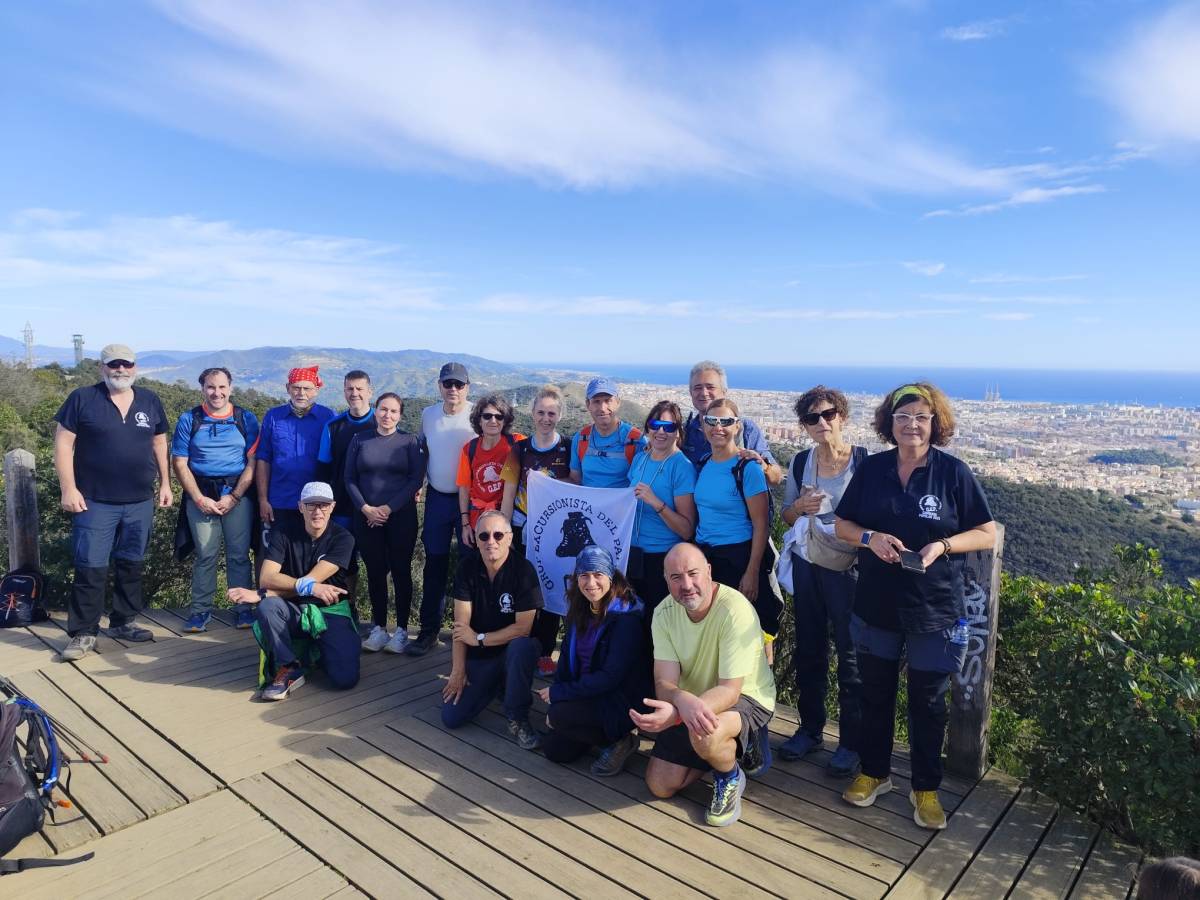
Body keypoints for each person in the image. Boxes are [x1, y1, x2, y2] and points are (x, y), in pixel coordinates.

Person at [835, 382, 997, 830]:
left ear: (935, 423)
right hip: (877, 603)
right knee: (874, 694)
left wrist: (942, 545)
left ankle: (925, 788)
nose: (911, 425)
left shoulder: (952, 473)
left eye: (921, 417)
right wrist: (871, 538)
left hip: (934, 608)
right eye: (903, 416)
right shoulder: (873, 470)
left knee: (928, 702)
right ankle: (874, 773)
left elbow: (986, 532)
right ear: (889, 422)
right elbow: (844, 525)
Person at [631, 543, 776, 828]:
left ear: (708, 571)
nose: (686, 585)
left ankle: (729, 774)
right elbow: (664, 683)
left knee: (705, 735)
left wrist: (675, 715)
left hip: (746, 696)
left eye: (693, 573)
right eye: (676, 577)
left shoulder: (735, 610)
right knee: (660, 785)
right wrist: (681, 703)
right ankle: (732, 748)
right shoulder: (663, 613)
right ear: (666, 580)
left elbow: (730, 690)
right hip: (693, 699)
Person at [53, 344, 173, 660]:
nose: (120, 369)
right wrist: (69, 489)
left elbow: (160, 442)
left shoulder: (149, 399)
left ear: (135, 367)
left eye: (126, 364)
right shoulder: (83, 398)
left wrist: (166, 483)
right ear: (102, 368)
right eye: (114, 364)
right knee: (90, 566)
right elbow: (63, 444)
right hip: (94, 500)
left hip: (139, 500)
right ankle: (83, 632)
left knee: (131, 564)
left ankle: (123, 622)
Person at [777, 386, 869, 777]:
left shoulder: (863, 464)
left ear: (842, 417)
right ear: (804, 425)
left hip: (849, 571)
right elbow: (785, 515)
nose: (822, 422)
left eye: (828, 414)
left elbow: (878, 518)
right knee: (810, 649)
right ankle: (810, 728)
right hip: (807, 564)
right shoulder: (800, 463)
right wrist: (799, 507)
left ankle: (851, 741)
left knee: (851, 657)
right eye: (813, 418)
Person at [228, 482, 359, 700]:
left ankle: (319, 652)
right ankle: (289, 667)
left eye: (323, 505)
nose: (317, 511)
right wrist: (306, 589)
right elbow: (267, 577)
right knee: (268, 607)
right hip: (294, 610)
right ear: (300, 507)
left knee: (345, 678)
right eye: (311, 505)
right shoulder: (283, 533)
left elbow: (311, 580)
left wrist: (262, 593)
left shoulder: (343, 538)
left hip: (330, 611)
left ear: (333, 507)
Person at [539, 546, 650, 776]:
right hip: (589, 692)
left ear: (610, 577)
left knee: (559, 717)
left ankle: (622, 739)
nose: (591, 582)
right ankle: (597, 735)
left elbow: (610, 677)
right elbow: (567, 658)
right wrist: (558, 689)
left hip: (619, 700)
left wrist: (561, 696)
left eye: (598, 575)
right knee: (554, 750)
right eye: (584, 575)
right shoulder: (579, 609)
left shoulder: (626, 619)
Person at [441, 510, 543, 750]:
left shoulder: (524, 570)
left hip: (510, 652)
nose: (491, 542)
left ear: (510, 538)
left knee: (523, 647)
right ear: (476, 540)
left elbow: (523, 629)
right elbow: (460, 626)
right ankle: (497, 685)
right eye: (484, 536)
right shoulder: (467, 567)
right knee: (451, 717)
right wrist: (457, 670)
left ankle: (518, 716)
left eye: (498, 535)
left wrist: (479, 639)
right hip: (482, 656)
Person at [171, 366, 261, 633]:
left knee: (238, 556)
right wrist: (198, 499)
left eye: (222, 387)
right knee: (206, 555)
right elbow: (179, 462)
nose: (217, 392)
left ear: (230, 388)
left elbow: (253, 461)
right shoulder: (190, 419)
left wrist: (234, 496)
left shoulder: (245, 419)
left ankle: (243, 610)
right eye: (211, 387)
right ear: (202, 389)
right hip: (201, 495)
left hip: (237, 494)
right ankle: (200, 611)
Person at [692, 398, 782, 658]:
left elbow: (761, 524)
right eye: (712, 421)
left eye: (726, 421)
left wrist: (752, 571)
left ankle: (759, 694)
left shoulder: (748, 468)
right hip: (708, 559)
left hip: (738, 558)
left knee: (751, 631)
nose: (718, 427)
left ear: (738, 426)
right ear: (703, 425)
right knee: (717, 633)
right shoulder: (704, 462)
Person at [499, 385, 573, 675]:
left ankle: (543, 652)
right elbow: (508, 492)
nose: (545, 418)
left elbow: (577, 483)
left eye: (551, 413)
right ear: (532, 414)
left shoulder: (567, 448)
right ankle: (517, 649)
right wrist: (504, 533)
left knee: (551, 588)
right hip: (521, 524)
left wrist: (551, 482)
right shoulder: (520, 449)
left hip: (554, 530)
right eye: (540, 412)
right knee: (522, 589)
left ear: (560, 415)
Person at [345, 393, 426, 654]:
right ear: (375, 410)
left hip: (401, 517)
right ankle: (379, 627)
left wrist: (388, 509)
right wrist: (367, 509)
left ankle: (401, 630)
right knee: (375, 571)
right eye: (383, 409)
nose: (387, 415)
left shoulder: (409, 441)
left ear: (400, 415)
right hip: (366, 518)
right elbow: (349, 478)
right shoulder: (360, 439)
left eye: (393, 411)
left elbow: (416, 479)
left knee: (401, 572)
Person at [410, 362, 475, 657]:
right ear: (439, 386)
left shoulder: (478, 415)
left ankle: (469, 633)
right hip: (437, 498)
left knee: (469, 567)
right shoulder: (428, 415)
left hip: (471, 501)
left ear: (467, 388)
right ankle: (428, 632)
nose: (453, 389)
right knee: (434, 565)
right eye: (448, 384)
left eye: (458, 384)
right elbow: (423, 451)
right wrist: (417, 483)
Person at [627, 400, 696, 622]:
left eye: (669, 427)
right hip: (633, 556)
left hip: (661, 559)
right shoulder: (641, 458)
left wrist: (656, 503)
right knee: (633, 626)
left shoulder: (682, 466)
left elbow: (686, 529)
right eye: (656, 424)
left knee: (656, 627)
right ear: (647, 427)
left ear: (678, 433)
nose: (660, 431)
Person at [256, 366, 335, 546]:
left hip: (315, 504)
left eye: (307, 388)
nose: (301, 393)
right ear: (287, 388)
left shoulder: (328, 417)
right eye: (296, 387)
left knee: (310, 553)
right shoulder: (273, 417)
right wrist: (263, 499)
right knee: (275, 553)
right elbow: (263, 459)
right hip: (279, 500)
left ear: (316, 390)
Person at [681, 361, 782, 485]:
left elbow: (776, 478)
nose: (704, 392)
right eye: (697, 388)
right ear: (691, 393)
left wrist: (763, 466)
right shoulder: (686, 432)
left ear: (724, 392)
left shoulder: (745, 428)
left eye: (710, 387)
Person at [457, 395, 525, 541]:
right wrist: (465, 524)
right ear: (479, 420)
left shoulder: (517, 443)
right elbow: (464, 488)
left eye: (499, 417)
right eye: (487, 416)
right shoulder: (469, 449)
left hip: (508, 519)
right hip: (479, 521)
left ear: (505, 420)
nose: (493, 421)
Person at [568, 378, 644, 488]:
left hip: (622, 505)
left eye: (608, 400)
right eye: (596, 401)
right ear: (588, 404)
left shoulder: (636, 440)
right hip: (588, 504)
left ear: (618, 402)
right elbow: (575, 480)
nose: (602, 408)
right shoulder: (580, 438)